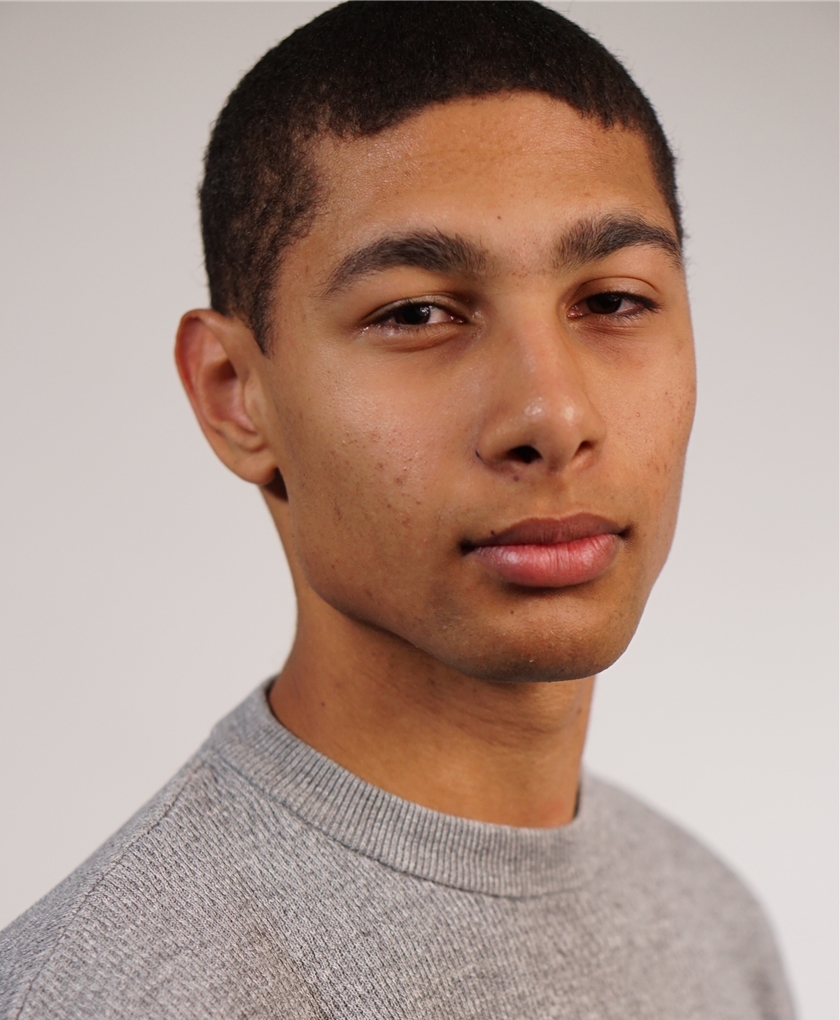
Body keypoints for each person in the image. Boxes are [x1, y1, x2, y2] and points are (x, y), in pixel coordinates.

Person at [0, 3, 795, 1017]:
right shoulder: (107, 992)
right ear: (237, 395)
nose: (553, 417)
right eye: (416, 313)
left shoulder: (711, 923)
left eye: (612, 301)